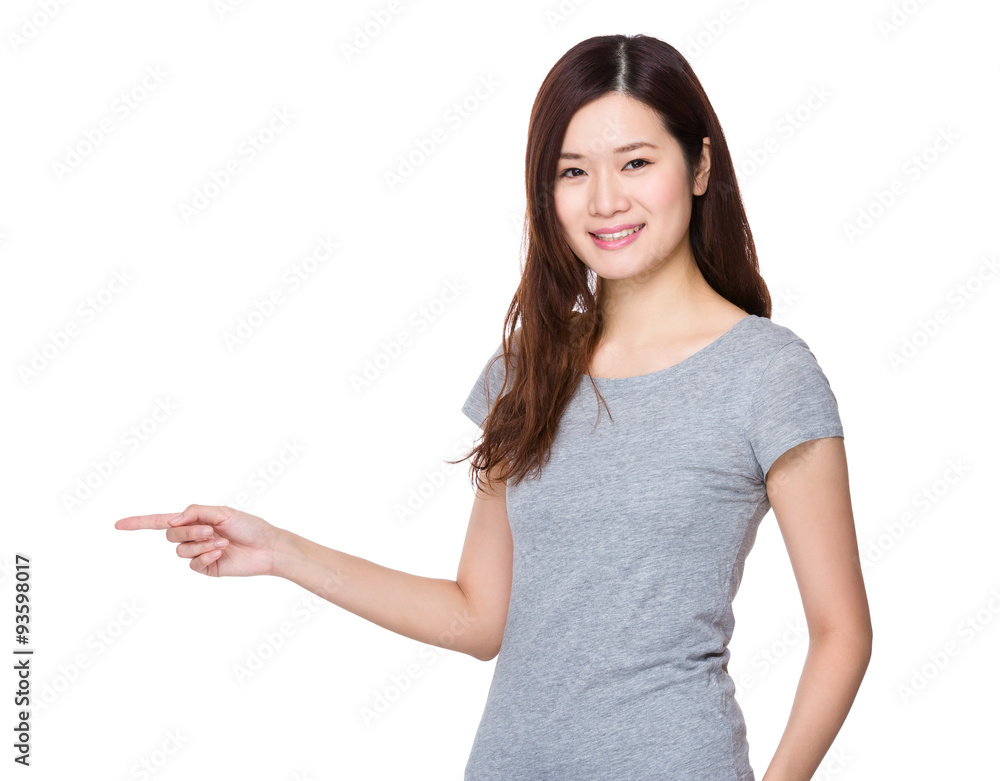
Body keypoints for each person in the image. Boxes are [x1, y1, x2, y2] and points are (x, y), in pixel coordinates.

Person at [115, 33, 872, 781]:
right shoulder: (527, 369)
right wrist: (282, 552)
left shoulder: (767, 374)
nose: (606, 199)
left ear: (699, 165)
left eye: (636, 162)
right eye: (573, 171)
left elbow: (841, 633)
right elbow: (479, 616)